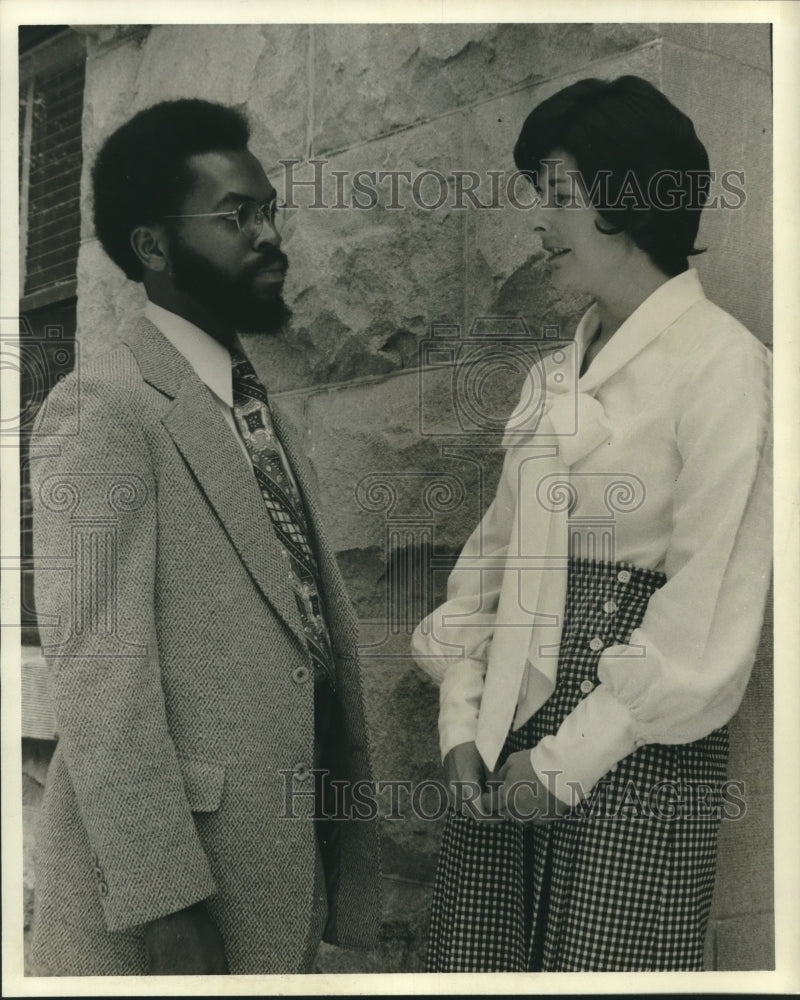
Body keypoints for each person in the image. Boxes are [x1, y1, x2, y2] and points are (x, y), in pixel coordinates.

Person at [412, 75, 772, 972]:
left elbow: (711, 607)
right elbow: (486, 571)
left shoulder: (727, 367)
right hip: (507, 736)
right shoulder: (551, 379)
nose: (538, 223)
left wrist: (573, 758)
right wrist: (462, 724)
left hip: (636, 750)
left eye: (560, 196)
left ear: (629, 201)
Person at [30, 98, 380, 975]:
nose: (267, 234)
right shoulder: (103, 407)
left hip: (276, 874)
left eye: (267, 210)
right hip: (175, 912)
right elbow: (99, 674)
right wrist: (166, 906)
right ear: (153, 246)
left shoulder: (251, 402)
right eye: (235, 216)